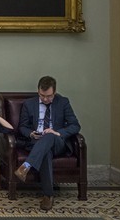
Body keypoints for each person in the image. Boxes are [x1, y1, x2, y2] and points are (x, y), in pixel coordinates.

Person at [14, 75, 80, 211]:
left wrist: (58, 133)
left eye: (48, 96)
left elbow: (75, 125)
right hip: (36, 142)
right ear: (38, 91)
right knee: (45, 152)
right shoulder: (29, 104)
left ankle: (26, 166)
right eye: (42, 95)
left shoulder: (63, 102)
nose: (45, 99)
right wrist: (31, 133)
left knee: (49, 135)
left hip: (57, 142)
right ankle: (48, 196)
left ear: (54, 92)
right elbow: (23, 127)